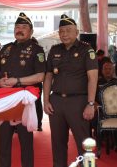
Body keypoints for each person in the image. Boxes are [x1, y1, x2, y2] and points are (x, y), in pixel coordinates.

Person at [43, 14, 98, 167]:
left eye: (68, 30)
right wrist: (45, 100)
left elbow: (93, 78)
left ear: (76, 32)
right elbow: (48, 77)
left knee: (84, 142)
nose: (64, 34)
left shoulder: (86, 50)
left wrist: (91, 103)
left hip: (79, 102)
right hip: (57, 101)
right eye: (61, 31)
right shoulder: (54, 50)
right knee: (58, 143)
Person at [0, 12, 45, 167]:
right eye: (17, 27)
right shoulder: (6, 48)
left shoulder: (37, 50)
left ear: (31, 31)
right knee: (3, 142)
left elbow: (40, 76)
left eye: (24, 27)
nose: (19, 29)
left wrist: (17, 81)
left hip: (24, 101)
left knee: (26, 142)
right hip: (4, 102)